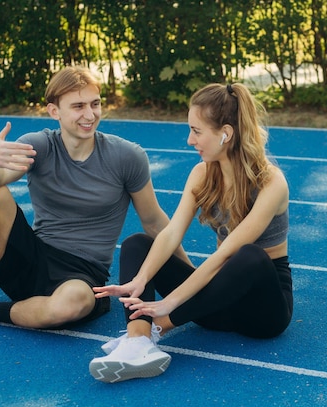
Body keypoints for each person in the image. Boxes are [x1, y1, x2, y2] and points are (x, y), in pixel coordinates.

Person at [0, 66, 189, 354]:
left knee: (71, 304)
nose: (89, 115)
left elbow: (153, 221)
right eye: (78, 106)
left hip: (82, 275)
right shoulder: (38, 146)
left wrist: (190, 278)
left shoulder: (127, 156)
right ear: (54, 111)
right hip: (32, 258)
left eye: (95, 104)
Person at [89, 83, 294, 383]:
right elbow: (171, 234)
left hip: (264, 312)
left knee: (248, 255)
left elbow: (226, 255)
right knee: (137, 244)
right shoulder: (201, 174)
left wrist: (170, 304)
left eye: (197, 131)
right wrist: (140, 280)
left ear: (226, 133)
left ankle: (159, 327)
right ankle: (138, 340)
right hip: (218, 304)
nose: (189, 140)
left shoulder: (270, 183)